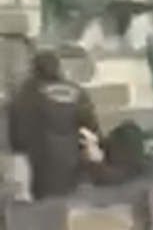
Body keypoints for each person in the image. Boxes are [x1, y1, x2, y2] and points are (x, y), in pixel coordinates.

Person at [8, 52, 101, 199]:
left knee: (45, 203)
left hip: (41, 161)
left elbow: (18, 131)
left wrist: (19, 150)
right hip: (73, 160)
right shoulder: (76, 91)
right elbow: (91, 125)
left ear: (35, 69)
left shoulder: (27, 93)